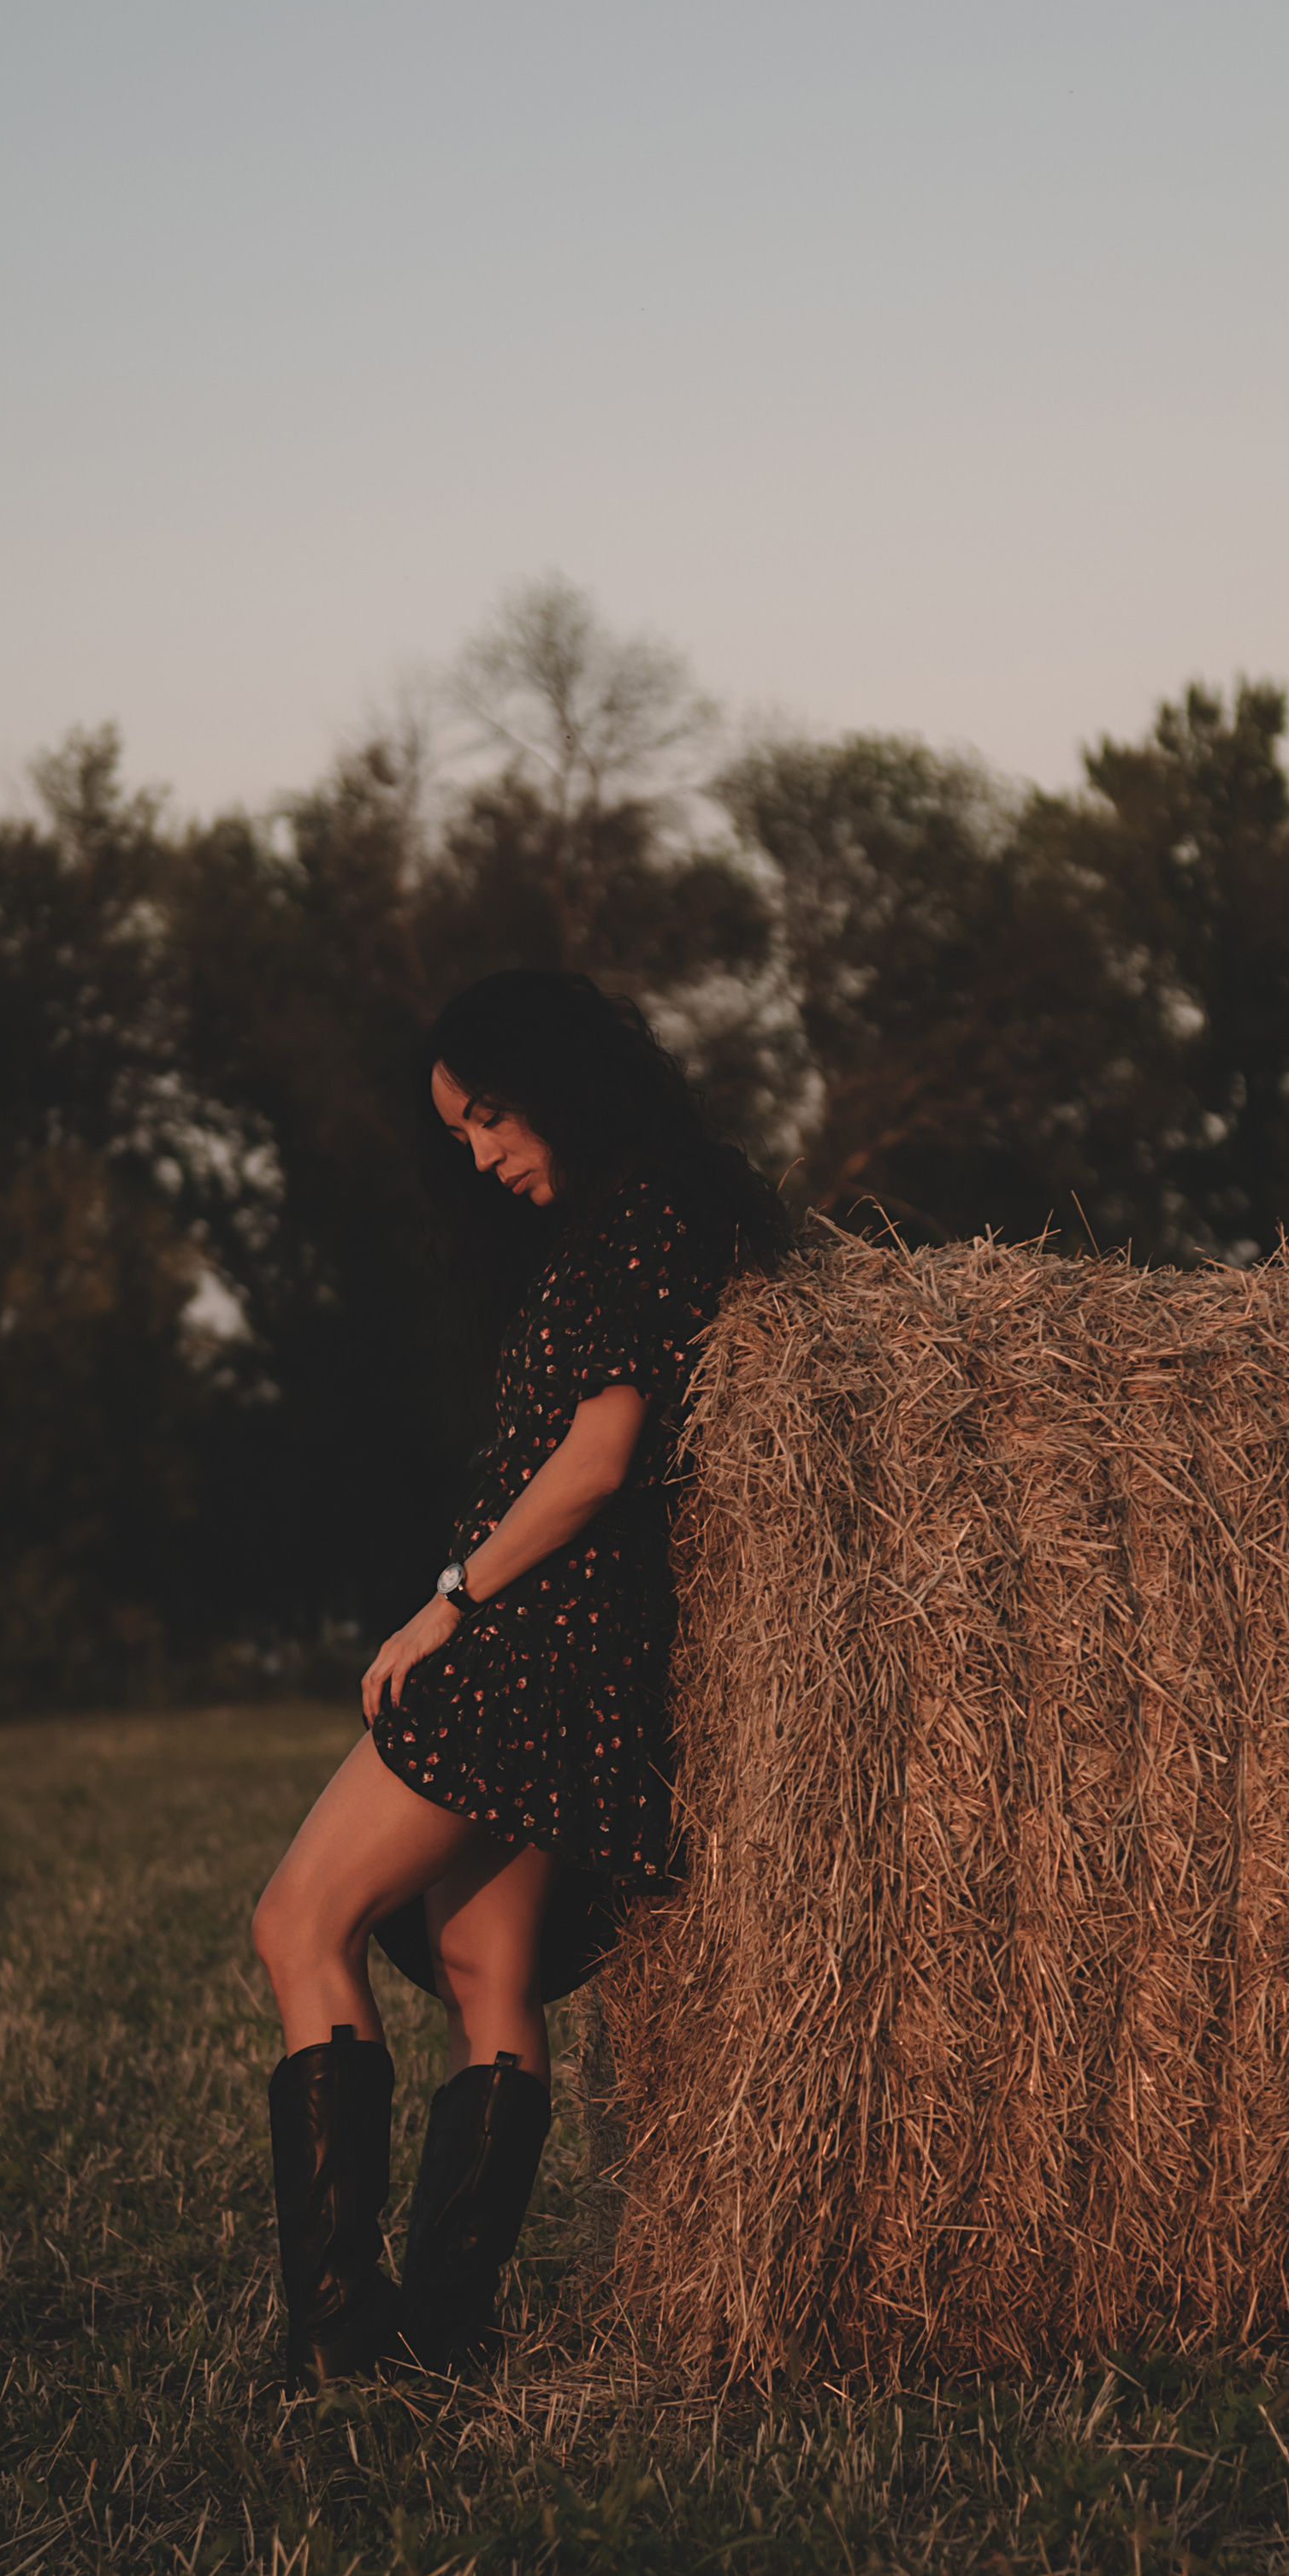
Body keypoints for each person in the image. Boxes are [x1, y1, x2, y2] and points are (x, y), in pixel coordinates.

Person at [250, 971, 790, 2393]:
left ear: (558, 1084)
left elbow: (600, 1458)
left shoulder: (638, 1219)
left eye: (488, 1117)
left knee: (299, 1920)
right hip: (590, 1656)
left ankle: (339, 2321)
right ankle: (438, 2335)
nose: (479, 1153)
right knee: (490, 1971)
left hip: (533, 1644)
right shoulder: (649, 1219)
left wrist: (446, 1604)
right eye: (460, 1134)